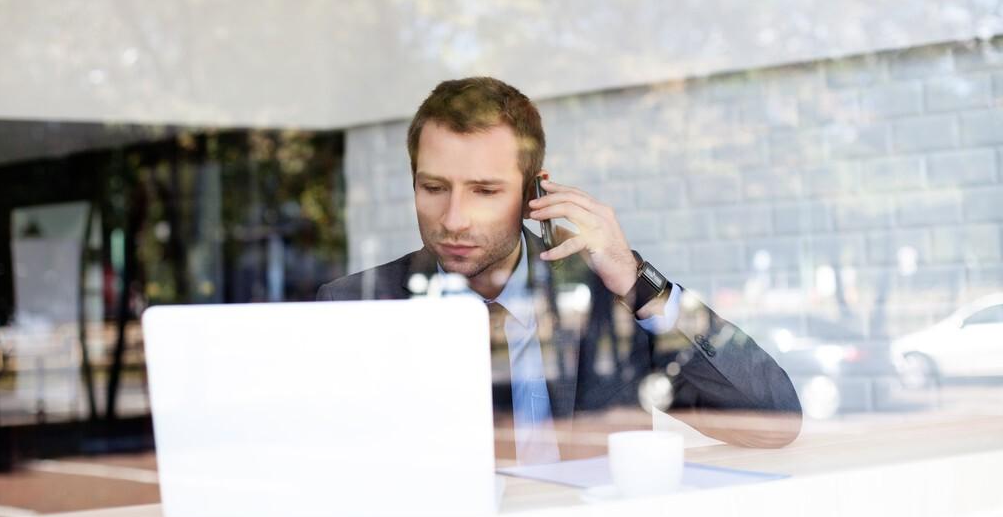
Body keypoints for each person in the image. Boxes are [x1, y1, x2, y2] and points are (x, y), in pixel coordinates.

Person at [317, 77, 801, 459]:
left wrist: (637, 284)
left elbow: (772, 421)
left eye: (485, 191)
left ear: (534, 194)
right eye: (434, 188)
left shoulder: (607, 298)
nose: (453, 219)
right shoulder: (355, 306)